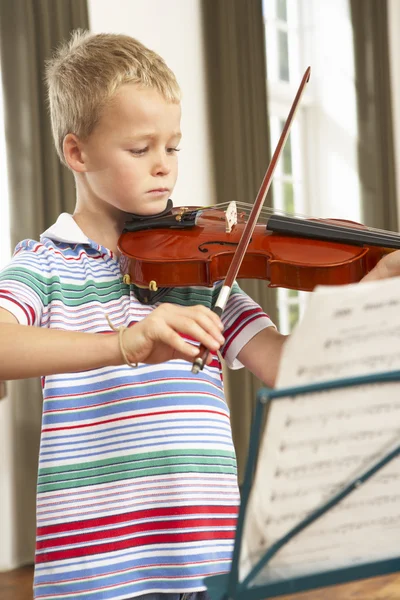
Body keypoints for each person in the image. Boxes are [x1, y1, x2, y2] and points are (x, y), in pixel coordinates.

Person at [0, 30, 398, 600]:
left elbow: (287, 367)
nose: (164, 167)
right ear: (76, 152)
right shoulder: (45, 265)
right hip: (98, 572)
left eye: (173, 147)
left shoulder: (202, 272)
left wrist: (371, 290)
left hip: (206, 557)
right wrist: (127, 342)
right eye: (140, 150)